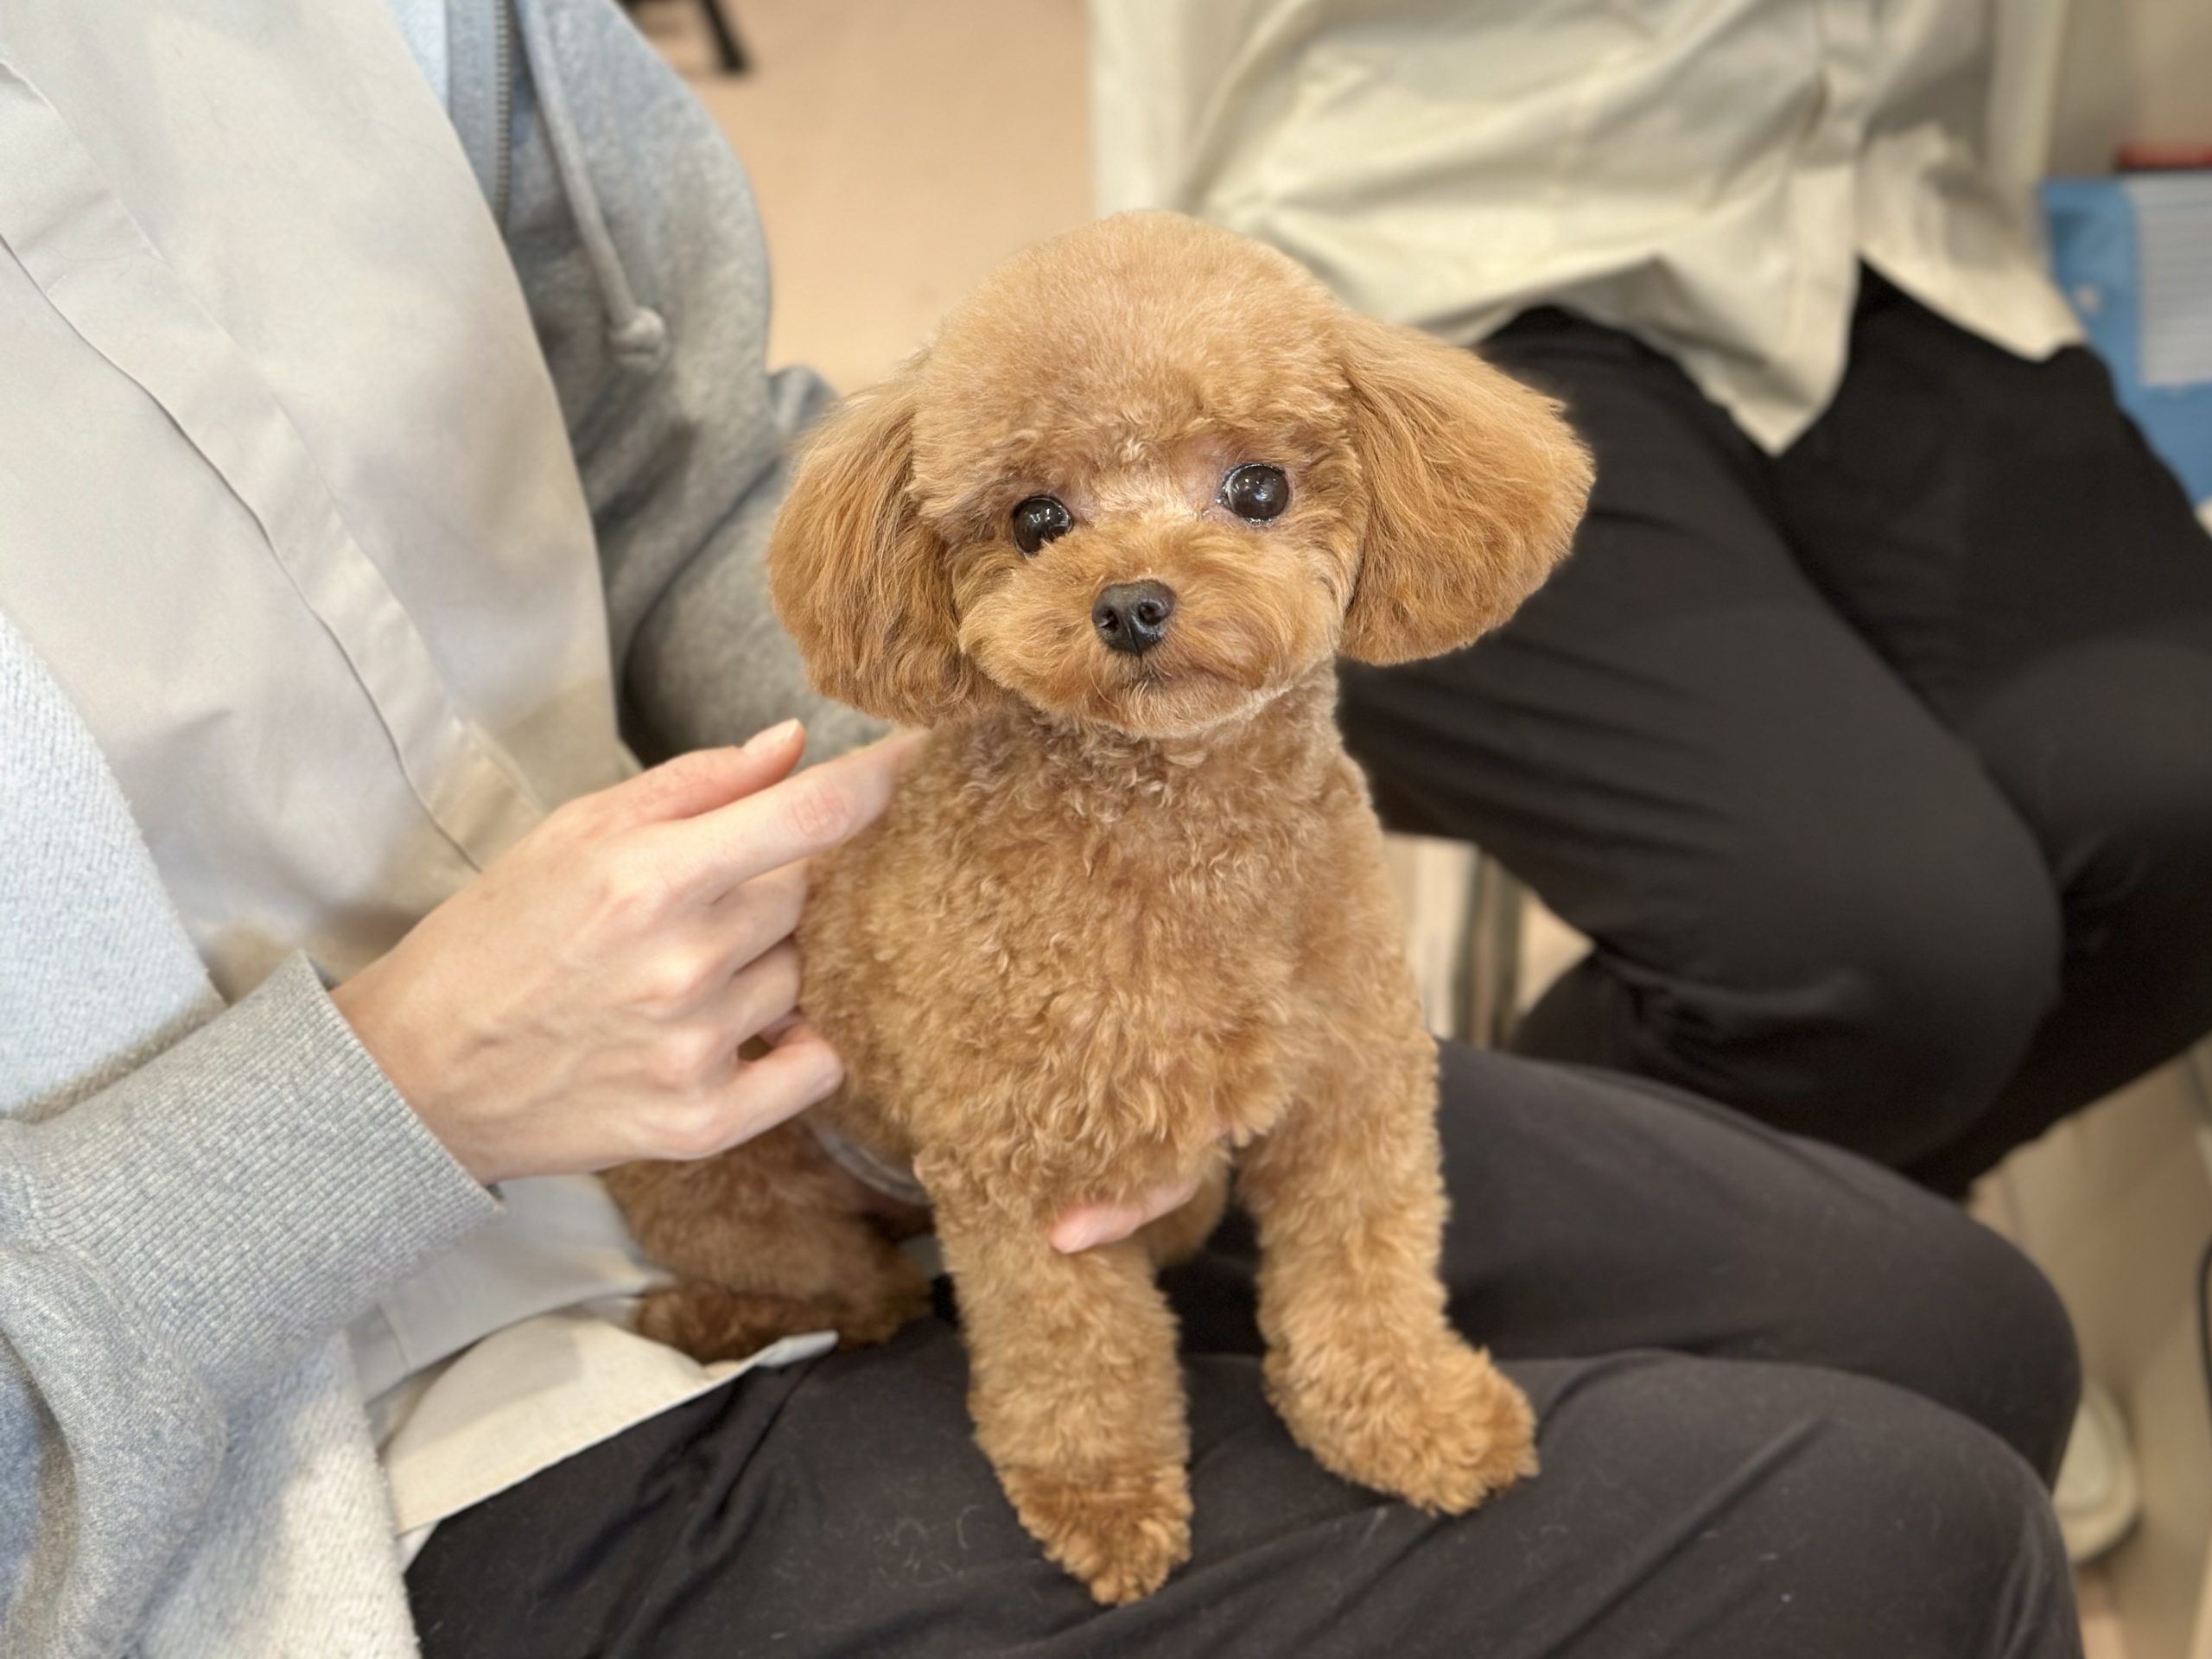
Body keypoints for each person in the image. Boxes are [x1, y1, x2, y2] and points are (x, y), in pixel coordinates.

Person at [0, 3, 2083, 1656]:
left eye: (1244, 494)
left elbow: (675, 463)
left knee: (1958, 1324)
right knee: (1918, 1542)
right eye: (1043, 517)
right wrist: (397, 1096)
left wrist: (909, 752)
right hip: (302, 1437)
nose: (1145, 570)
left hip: (781, 964)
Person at [1096, 0, 2212, 1198]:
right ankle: (1401, 1250)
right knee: (1877, 958)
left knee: (2177, 816)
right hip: (1435, 261)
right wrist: (1159, 385)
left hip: (1888, 234)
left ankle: (1824, 1259)